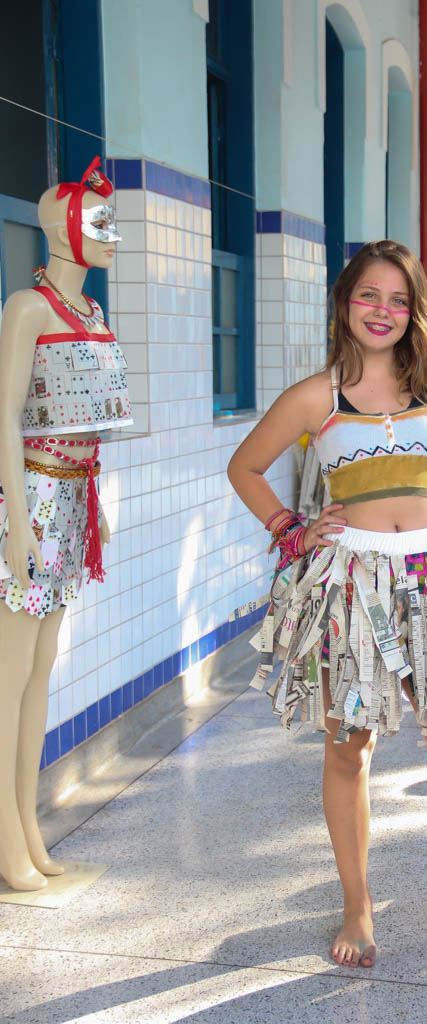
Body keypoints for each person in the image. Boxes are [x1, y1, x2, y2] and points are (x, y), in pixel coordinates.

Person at [228, 240, 427, 972]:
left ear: (413, 313)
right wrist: (291, 529)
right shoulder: (317, 396)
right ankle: (357, 908)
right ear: (344, 302)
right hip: (351, 586)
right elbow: (245, 467)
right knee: (348, 752)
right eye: (369, 295)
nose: (382, 311)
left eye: (398, 300)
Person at [0, 158, 131, 891]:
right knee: (9, 674)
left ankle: (26, 827)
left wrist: (94, 504)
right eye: (100, 224)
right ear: (61, 229)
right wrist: (18, 521)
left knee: (41, 668)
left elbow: (82, 414)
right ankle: (6, 837)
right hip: (32, 495)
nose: (112, 237)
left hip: (73, 494)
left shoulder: (92, 314)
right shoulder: (28, 308)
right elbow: (4, 414)